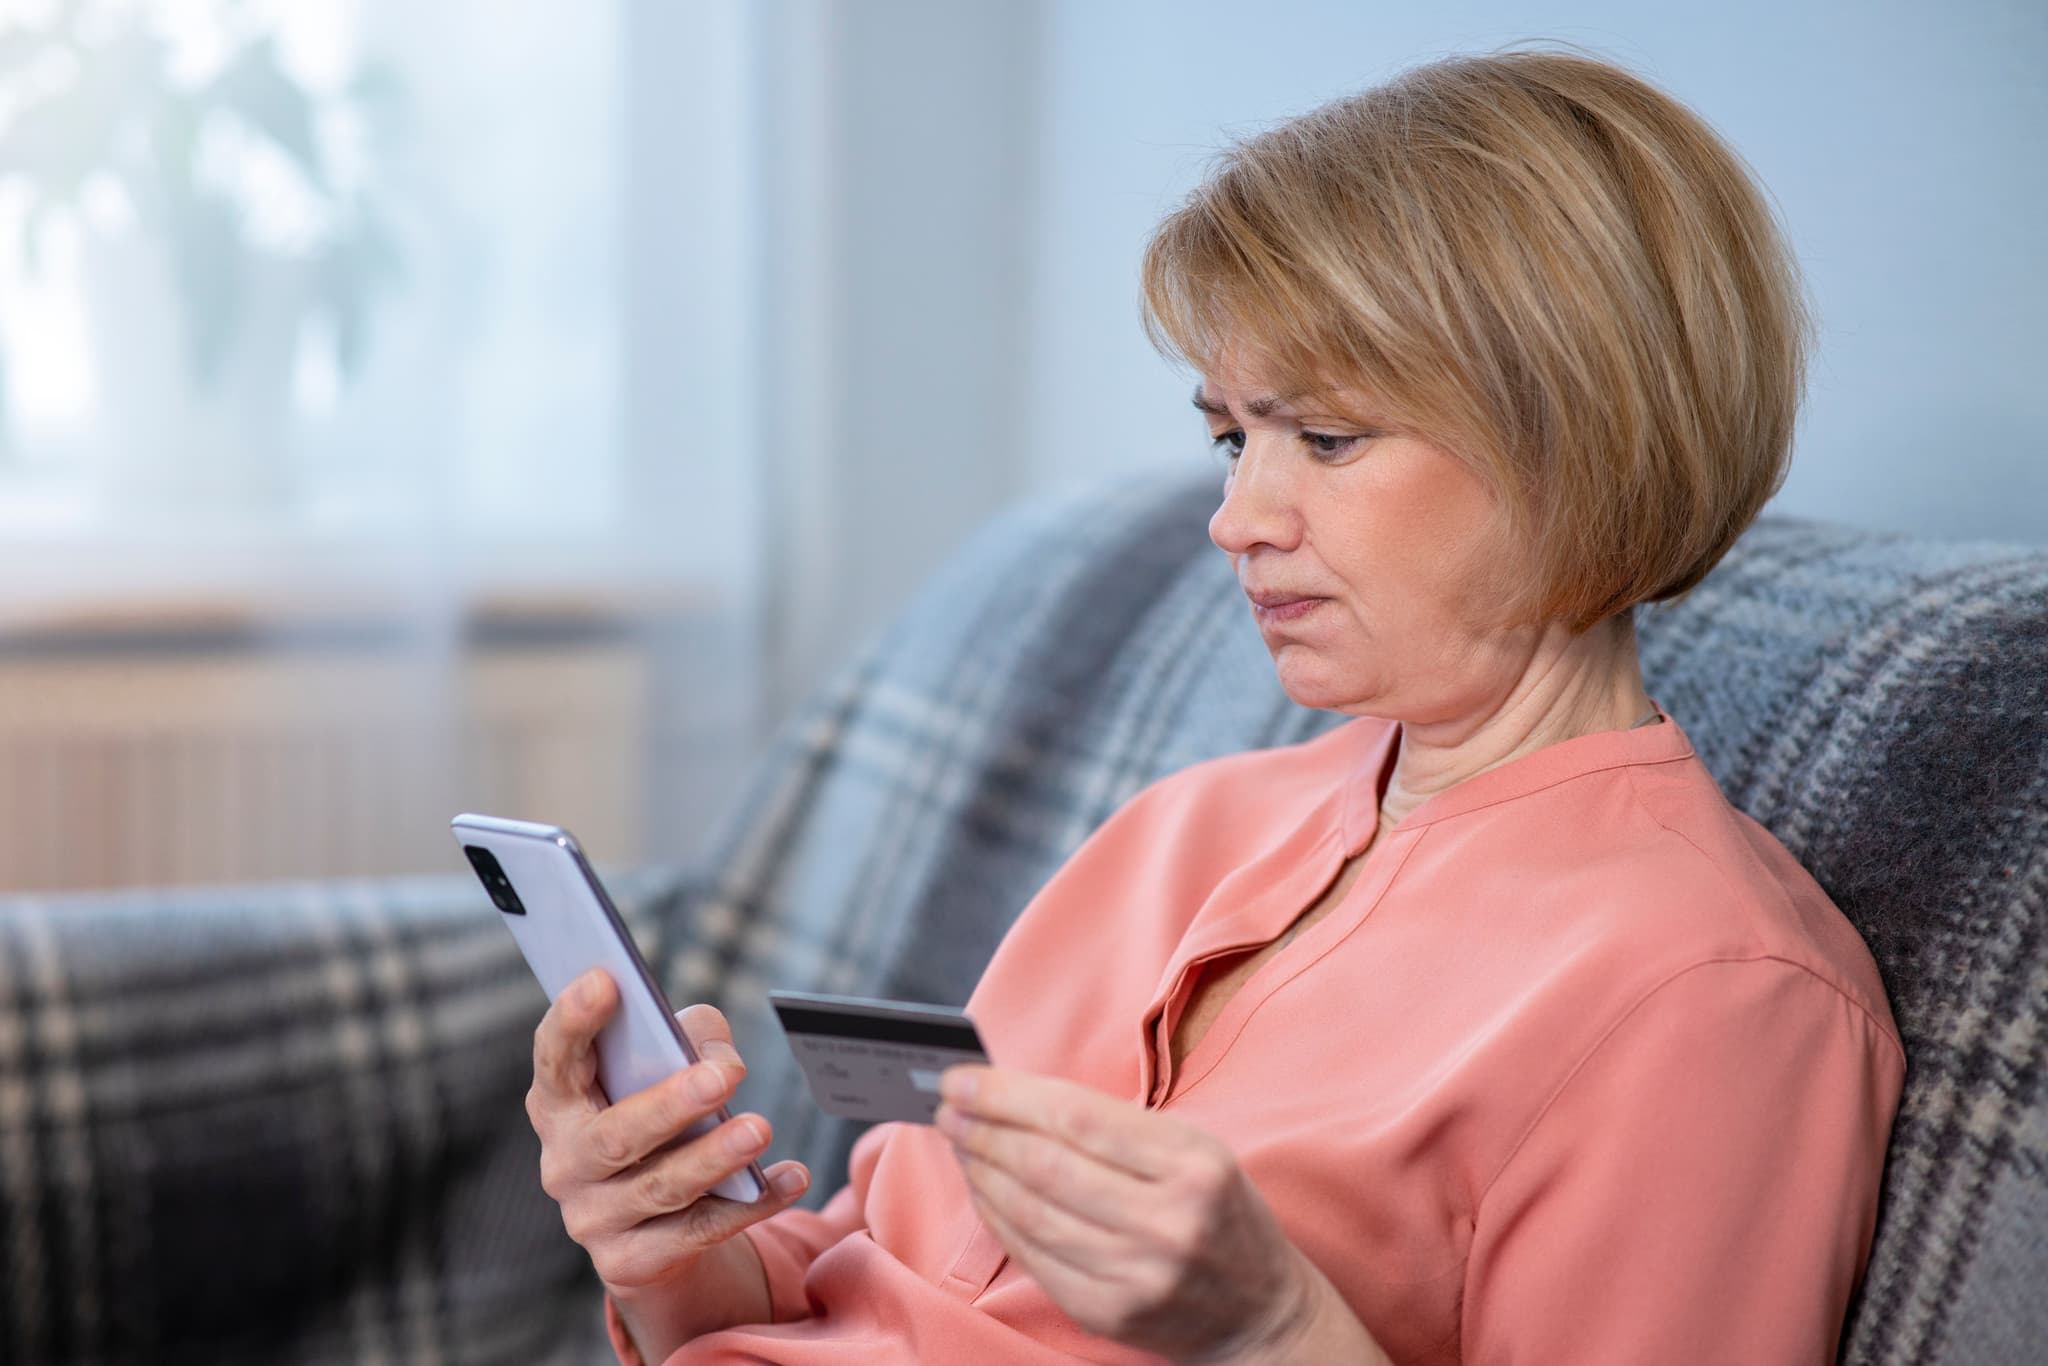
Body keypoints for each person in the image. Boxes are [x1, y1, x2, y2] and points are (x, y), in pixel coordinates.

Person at [525, 46, 1905, 1364]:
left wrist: (1272, 1330)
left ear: (1582, 441)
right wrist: (666, 1242)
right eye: (1232, 438)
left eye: (1329, 435)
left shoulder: (1714, 993)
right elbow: (864, 1279)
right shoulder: (1184, 826)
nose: (1235, 518)